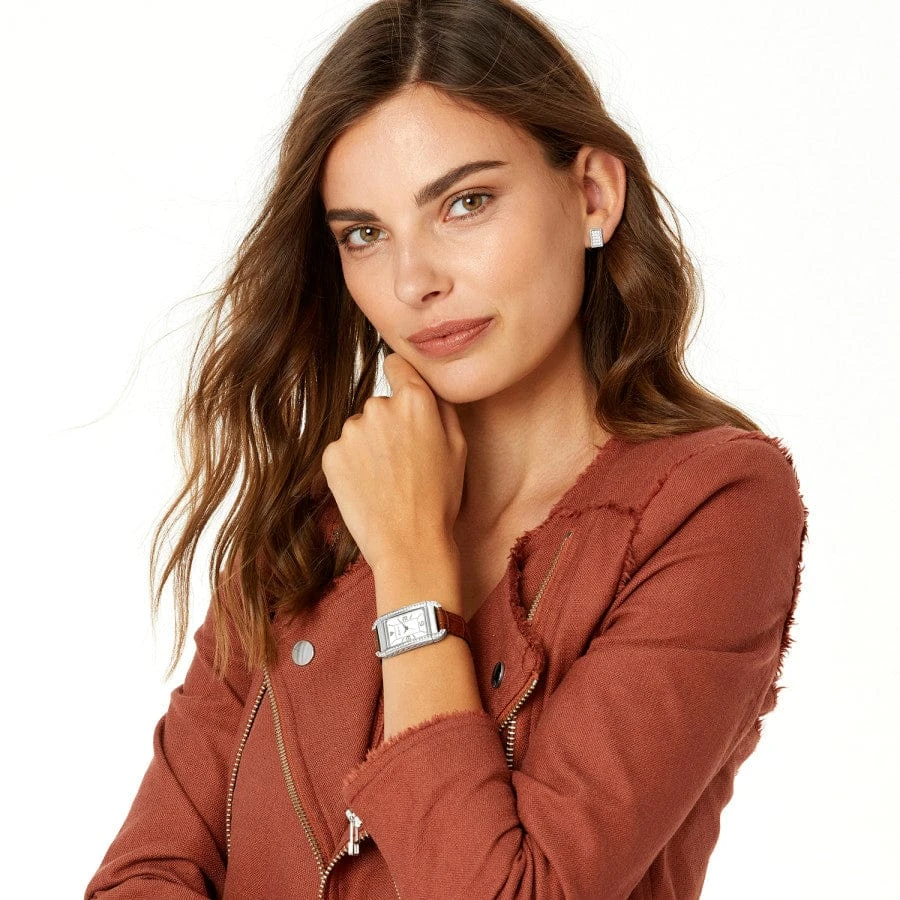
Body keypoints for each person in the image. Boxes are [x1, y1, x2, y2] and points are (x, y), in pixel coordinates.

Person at [84, 1, 809, 898]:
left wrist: (412, 569)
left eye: (466, 203)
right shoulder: (314, 522)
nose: (414, 280)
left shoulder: (711, 504)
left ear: (593, 194)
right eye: (365, 233)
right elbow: (146, 874)